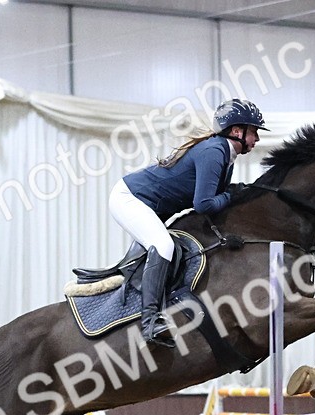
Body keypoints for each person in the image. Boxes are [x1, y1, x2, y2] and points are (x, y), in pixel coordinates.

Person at [108, 99, 267, 347]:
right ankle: (150, 322)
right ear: (237, 131)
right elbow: (203, 204)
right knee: (163, 246)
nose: (256, 139)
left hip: (147, 204)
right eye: (254, 131)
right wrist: (231, 194)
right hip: (129, 198)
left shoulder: (226, 155)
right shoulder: (215, 152)